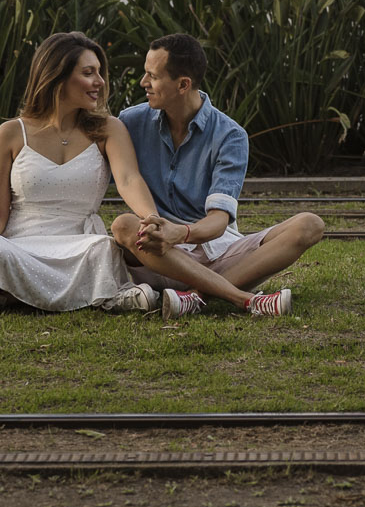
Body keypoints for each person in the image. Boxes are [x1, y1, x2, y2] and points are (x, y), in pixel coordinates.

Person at [0, 32, 160, 314]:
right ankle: (83, 296)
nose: (99, 82)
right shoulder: (10, 134)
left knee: (103, 247)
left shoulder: (109, 129)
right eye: (89, 73)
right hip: (21, 244)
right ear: (57, 78)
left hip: (78, 244)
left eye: (99, 73)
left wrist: (151, 218)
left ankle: (16, 294)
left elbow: (128, 179)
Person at [112, 33, 326, 318]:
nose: (143, 83)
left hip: (215, 254)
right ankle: (234, 296)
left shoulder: (230, 135)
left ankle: (196, 296)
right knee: (125, 225)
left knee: (309, 224)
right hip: (156, 255)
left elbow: (218, 221)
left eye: (152, 76)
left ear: (183, 84)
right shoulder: (129, 122)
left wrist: (181, 233)